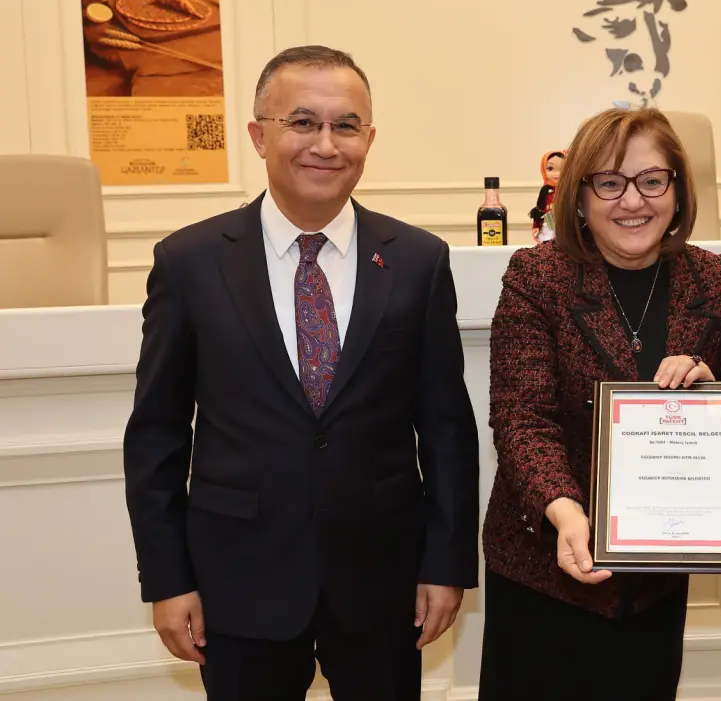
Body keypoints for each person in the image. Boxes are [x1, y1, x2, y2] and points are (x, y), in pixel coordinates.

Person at [122, 45, 480, 701]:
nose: (326, 144)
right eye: (303, 122)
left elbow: (447, 430)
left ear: (369, 139)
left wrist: (446, 563)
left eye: (346, 125)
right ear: (259, 136)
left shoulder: (418, 260)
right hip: (237, 579)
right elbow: (156, 436)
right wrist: (168, 578)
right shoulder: (190, 261)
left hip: (383, 580)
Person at [478, 108, 721, 701]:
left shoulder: (714, 280)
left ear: (677, 191)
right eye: (609, 182)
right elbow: (521, 416)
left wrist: (716, 393)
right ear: (580, 197)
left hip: (654, 581)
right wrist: (565, 512)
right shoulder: (537, 276)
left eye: (652, 180)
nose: (633, 201)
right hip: (544, 571)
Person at [529, 149, 565, 241]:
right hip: (548, 224)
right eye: (550, 168)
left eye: (562, 169)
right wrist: (536, 226)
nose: (557, 173)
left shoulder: (569, 190)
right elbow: (539, 209)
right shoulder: (545, 191)